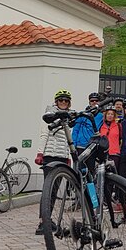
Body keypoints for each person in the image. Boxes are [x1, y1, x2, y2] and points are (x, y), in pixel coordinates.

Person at [35, 89, 72, 235]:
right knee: (48, 190)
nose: (63, 103)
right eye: (61, 100)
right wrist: (40, 153)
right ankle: (43, 221)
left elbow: (68, 139)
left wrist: (68, 156)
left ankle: (47, 219)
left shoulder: (68, 117)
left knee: (54, 190)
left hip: (62, 157)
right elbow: (44, 135)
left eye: (66, 101)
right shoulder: (49, 116)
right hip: (50, 156)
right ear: (56, 102)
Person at [99, 104, 122, 170]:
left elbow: (121, 138)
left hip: (114, 154)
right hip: (103, 154)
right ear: (105, 115)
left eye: (112, 114)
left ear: (114, 116)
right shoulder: (101, 125)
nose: (110, 116)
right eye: (108, 114)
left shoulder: (118, 125)